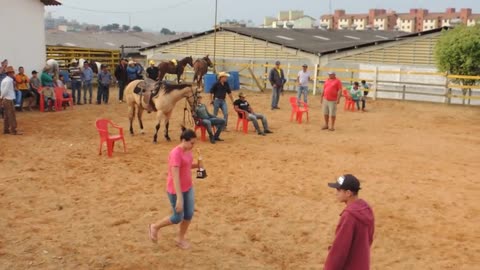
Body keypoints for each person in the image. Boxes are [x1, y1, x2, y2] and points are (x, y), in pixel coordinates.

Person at [149, 127, 203, 250]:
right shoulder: (175, 153)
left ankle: (180, 238)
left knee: (188, 214)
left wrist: (197, 165)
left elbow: (187, 166)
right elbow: (175, 176)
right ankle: (155, 227)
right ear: (184, 140)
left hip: (188, 187)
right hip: (175, 190)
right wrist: (179, 197)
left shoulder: (188, 151)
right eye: (192, 143)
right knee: (177, 217)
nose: (193, 146)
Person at [325, 174, 375, 270]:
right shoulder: (367, 209)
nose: (336, 193)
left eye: (338, 190)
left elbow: (340, 250)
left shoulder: (349, 216)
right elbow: (370, 238)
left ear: (348, 193)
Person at [1, 66, 21, 135]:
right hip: (8, 99)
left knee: (6, 115)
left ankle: (6, 129)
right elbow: (5, 90)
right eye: (12, 72)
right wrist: (1, 97)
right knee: (12, 115)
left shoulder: (4, 80)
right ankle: (13, 130)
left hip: (6, 99)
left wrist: (1, 98)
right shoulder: (9, 80)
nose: (13, 73)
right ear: (9, 73)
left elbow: (3, 90)